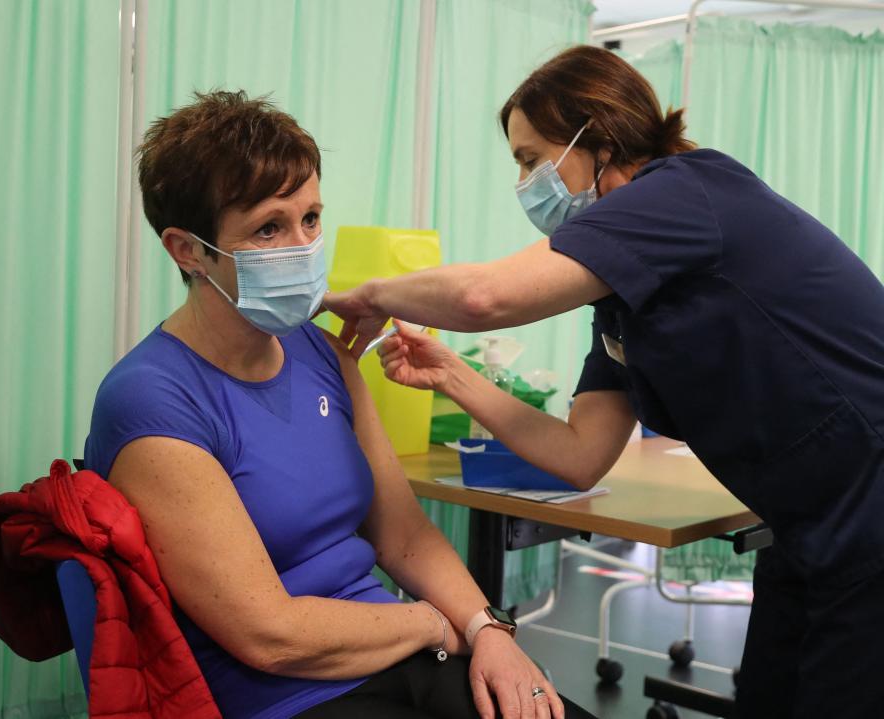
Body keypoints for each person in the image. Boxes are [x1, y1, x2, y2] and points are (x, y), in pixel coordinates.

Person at [324, 46, 884, 719]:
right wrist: (452, 374)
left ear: (601, 138)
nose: (526, 181)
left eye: (533, 158)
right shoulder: (621, 290)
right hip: (807, 521)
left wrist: (372, 293)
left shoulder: (685, 193)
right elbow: (582, 453)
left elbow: (482, 299)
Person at [82, 90, 568, 719]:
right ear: (188, 249)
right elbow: (269, 634)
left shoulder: (322, 353)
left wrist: (487, 632)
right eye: (268, 228)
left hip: (397, 655)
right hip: (283, 696)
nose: (302, 246)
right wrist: (428, 625)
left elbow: (406, 537)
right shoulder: (153, 398)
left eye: (310, 218)